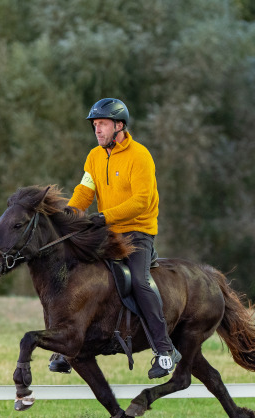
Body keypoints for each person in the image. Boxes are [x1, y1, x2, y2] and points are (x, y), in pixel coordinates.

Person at [48, 98, 181, 379]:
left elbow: (141, 202)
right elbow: (84, 192)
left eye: (102, 124)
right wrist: (68, 217)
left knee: (140, 282)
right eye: (95, 125)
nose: (97, 130)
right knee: (72, 271)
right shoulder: (94, 157)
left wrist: (103, 217)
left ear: (119, 126)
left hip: (137, 232)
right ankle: (65, 346)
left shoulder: (140, 156)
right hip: (106, 230)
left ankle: (165, 350)